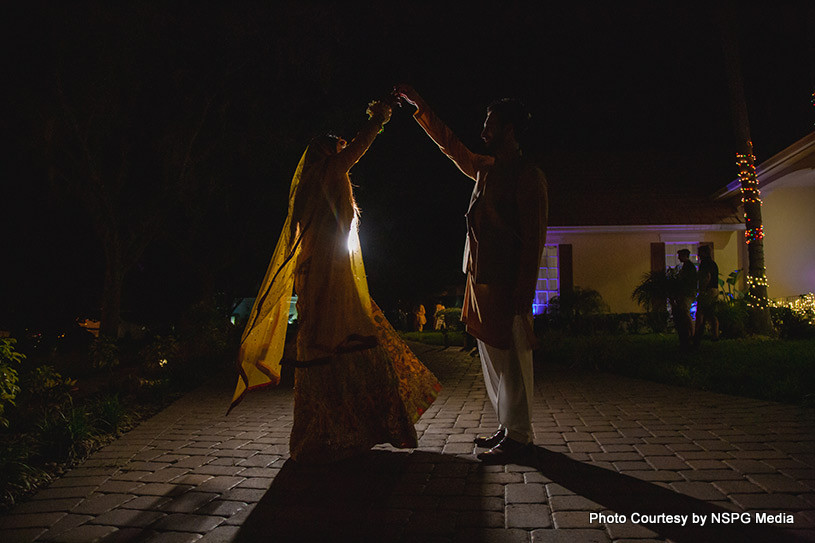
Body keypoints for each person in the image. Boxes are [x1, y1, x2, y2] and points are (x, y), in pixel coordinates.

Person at [230, 100, 441, 464]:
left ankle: (328, 432)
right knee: (347, 341)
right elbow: (359, 149)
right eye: (339, 146)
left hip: (317, 275)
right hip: (330, 277)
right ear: (328, 151)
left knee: (327, 348)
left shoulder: (309, 184)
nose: (343, 150)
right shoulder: (328, 171)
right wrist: (378, 119)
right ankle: (347, 430)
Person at [395, 84, 548, 462]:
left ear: (510, 130)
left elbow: (534, 240)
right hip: (480, 279)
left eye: (490, 126)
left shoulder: (529, 177)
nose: (483, 132)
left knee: (513, 360)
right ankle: (507, 427)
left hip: (509, 284)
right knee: (492, 361)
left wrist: (524, 293)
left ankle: (521, 437)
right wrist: (422, 106)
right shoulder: (485, 168)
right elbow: (451, 145)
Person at [694, 245, 719, 345]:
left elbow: (707, 276)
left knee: (700, 312)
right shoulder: (713, 263)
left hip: (708, 290)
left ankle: (698, 334)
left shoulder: (705, 263)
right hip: (714, 289)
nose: (698, 255)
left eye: (700, 252)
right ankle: (715, 334)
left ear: (704, 253)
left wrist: (702, 289)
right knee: (711, 312)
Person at [675, 248, 697, 349]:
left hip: (687, 293)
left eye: (680, 256)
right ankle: (690, 332)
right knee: (685, 312)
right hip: (687, 292)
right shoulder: (687, 266)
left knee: (686, 312)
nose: (678, 258)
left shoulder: (688, 267)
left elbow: (687, 280)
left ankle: (691, 332)